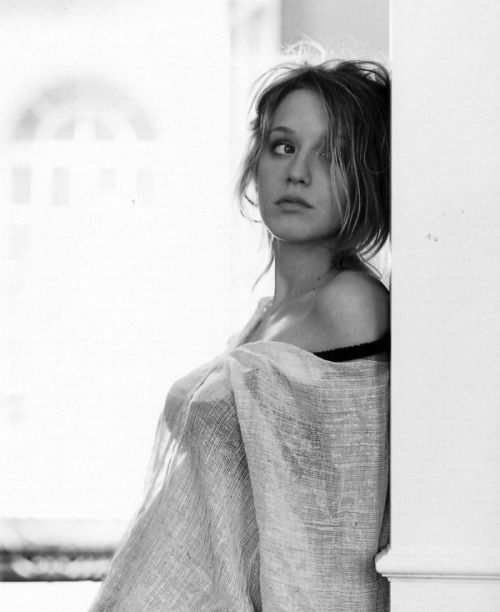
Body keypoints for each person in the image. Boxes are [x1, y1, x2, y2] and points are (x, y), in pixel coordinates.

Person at [90, 47, 390, 611]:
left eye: (333, 155)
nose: (298, 172)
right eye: (284, 146)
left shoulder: (352, 304)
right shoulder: (268, 315)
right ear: (256, 161)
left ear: (366, 176)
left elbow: (337, 534)